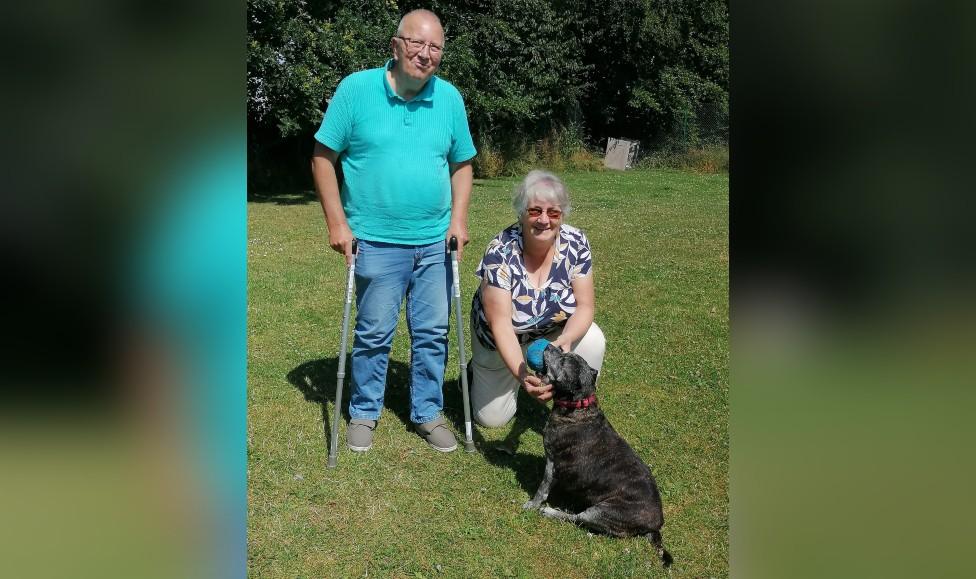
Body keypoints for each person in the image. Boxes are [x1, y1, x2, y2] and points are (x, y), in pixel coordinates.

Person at [310, 9, 476, 453]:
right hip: (376, 240)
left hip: (434, 240)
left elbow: (462, 164)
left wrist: (458, 220)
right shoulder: (356, 90)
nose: (426, 54)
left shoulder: (450, 99)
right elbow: (323, 157)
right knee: (374, 332)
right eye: (417, 43)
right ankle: (364, 412)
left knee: (432, 332)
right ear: (396, 45)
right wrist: (336, 222)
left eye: (435, 47)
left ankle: (427, 411)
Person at [469, 170, 605, 427]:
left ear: (562, 215)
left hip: (549, 333)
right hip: (500, 340)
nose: (544, 220)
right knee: (492, 420)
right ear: (521, 213)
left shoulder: (576, 243)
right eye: (535, 211)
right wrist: (523, 377)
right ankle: (478, 370)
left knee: (594, 339)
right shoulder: (499, 253)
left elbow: (585, 306)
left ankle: (574, 402)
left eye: (553, 213)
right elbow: (501, 326)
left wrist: (565, 341)